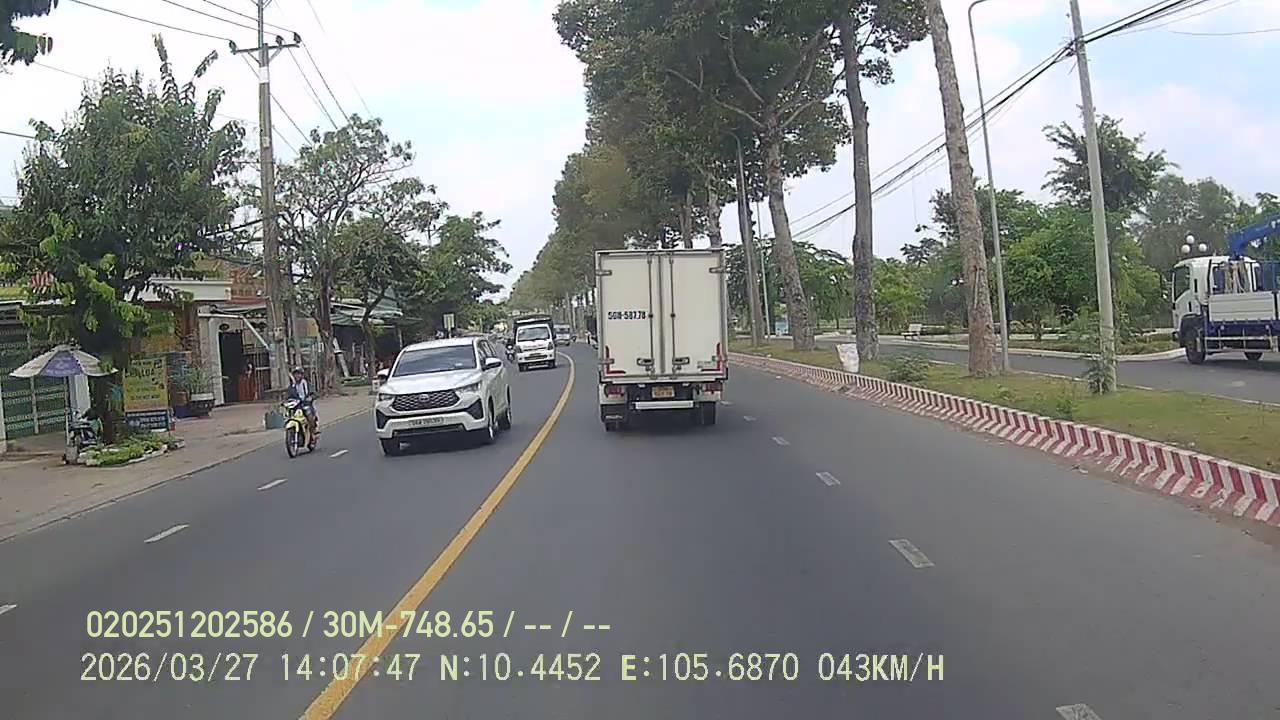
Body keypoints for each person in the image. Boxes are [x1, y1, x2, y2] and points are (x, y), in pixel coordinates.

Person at [287, 367, 318, 435]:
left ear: (302, 375)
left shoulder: (307, 384)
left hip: (306, 405)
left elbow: (314, 394)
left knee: (309, 415)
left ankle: (313, 431)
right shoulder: (292, 386)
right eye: (295, 374)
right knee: (289, 416)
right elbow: (288, 396)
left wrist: (310, 397)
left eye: (299, 374)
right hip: (296, 407)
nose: (297, 376)